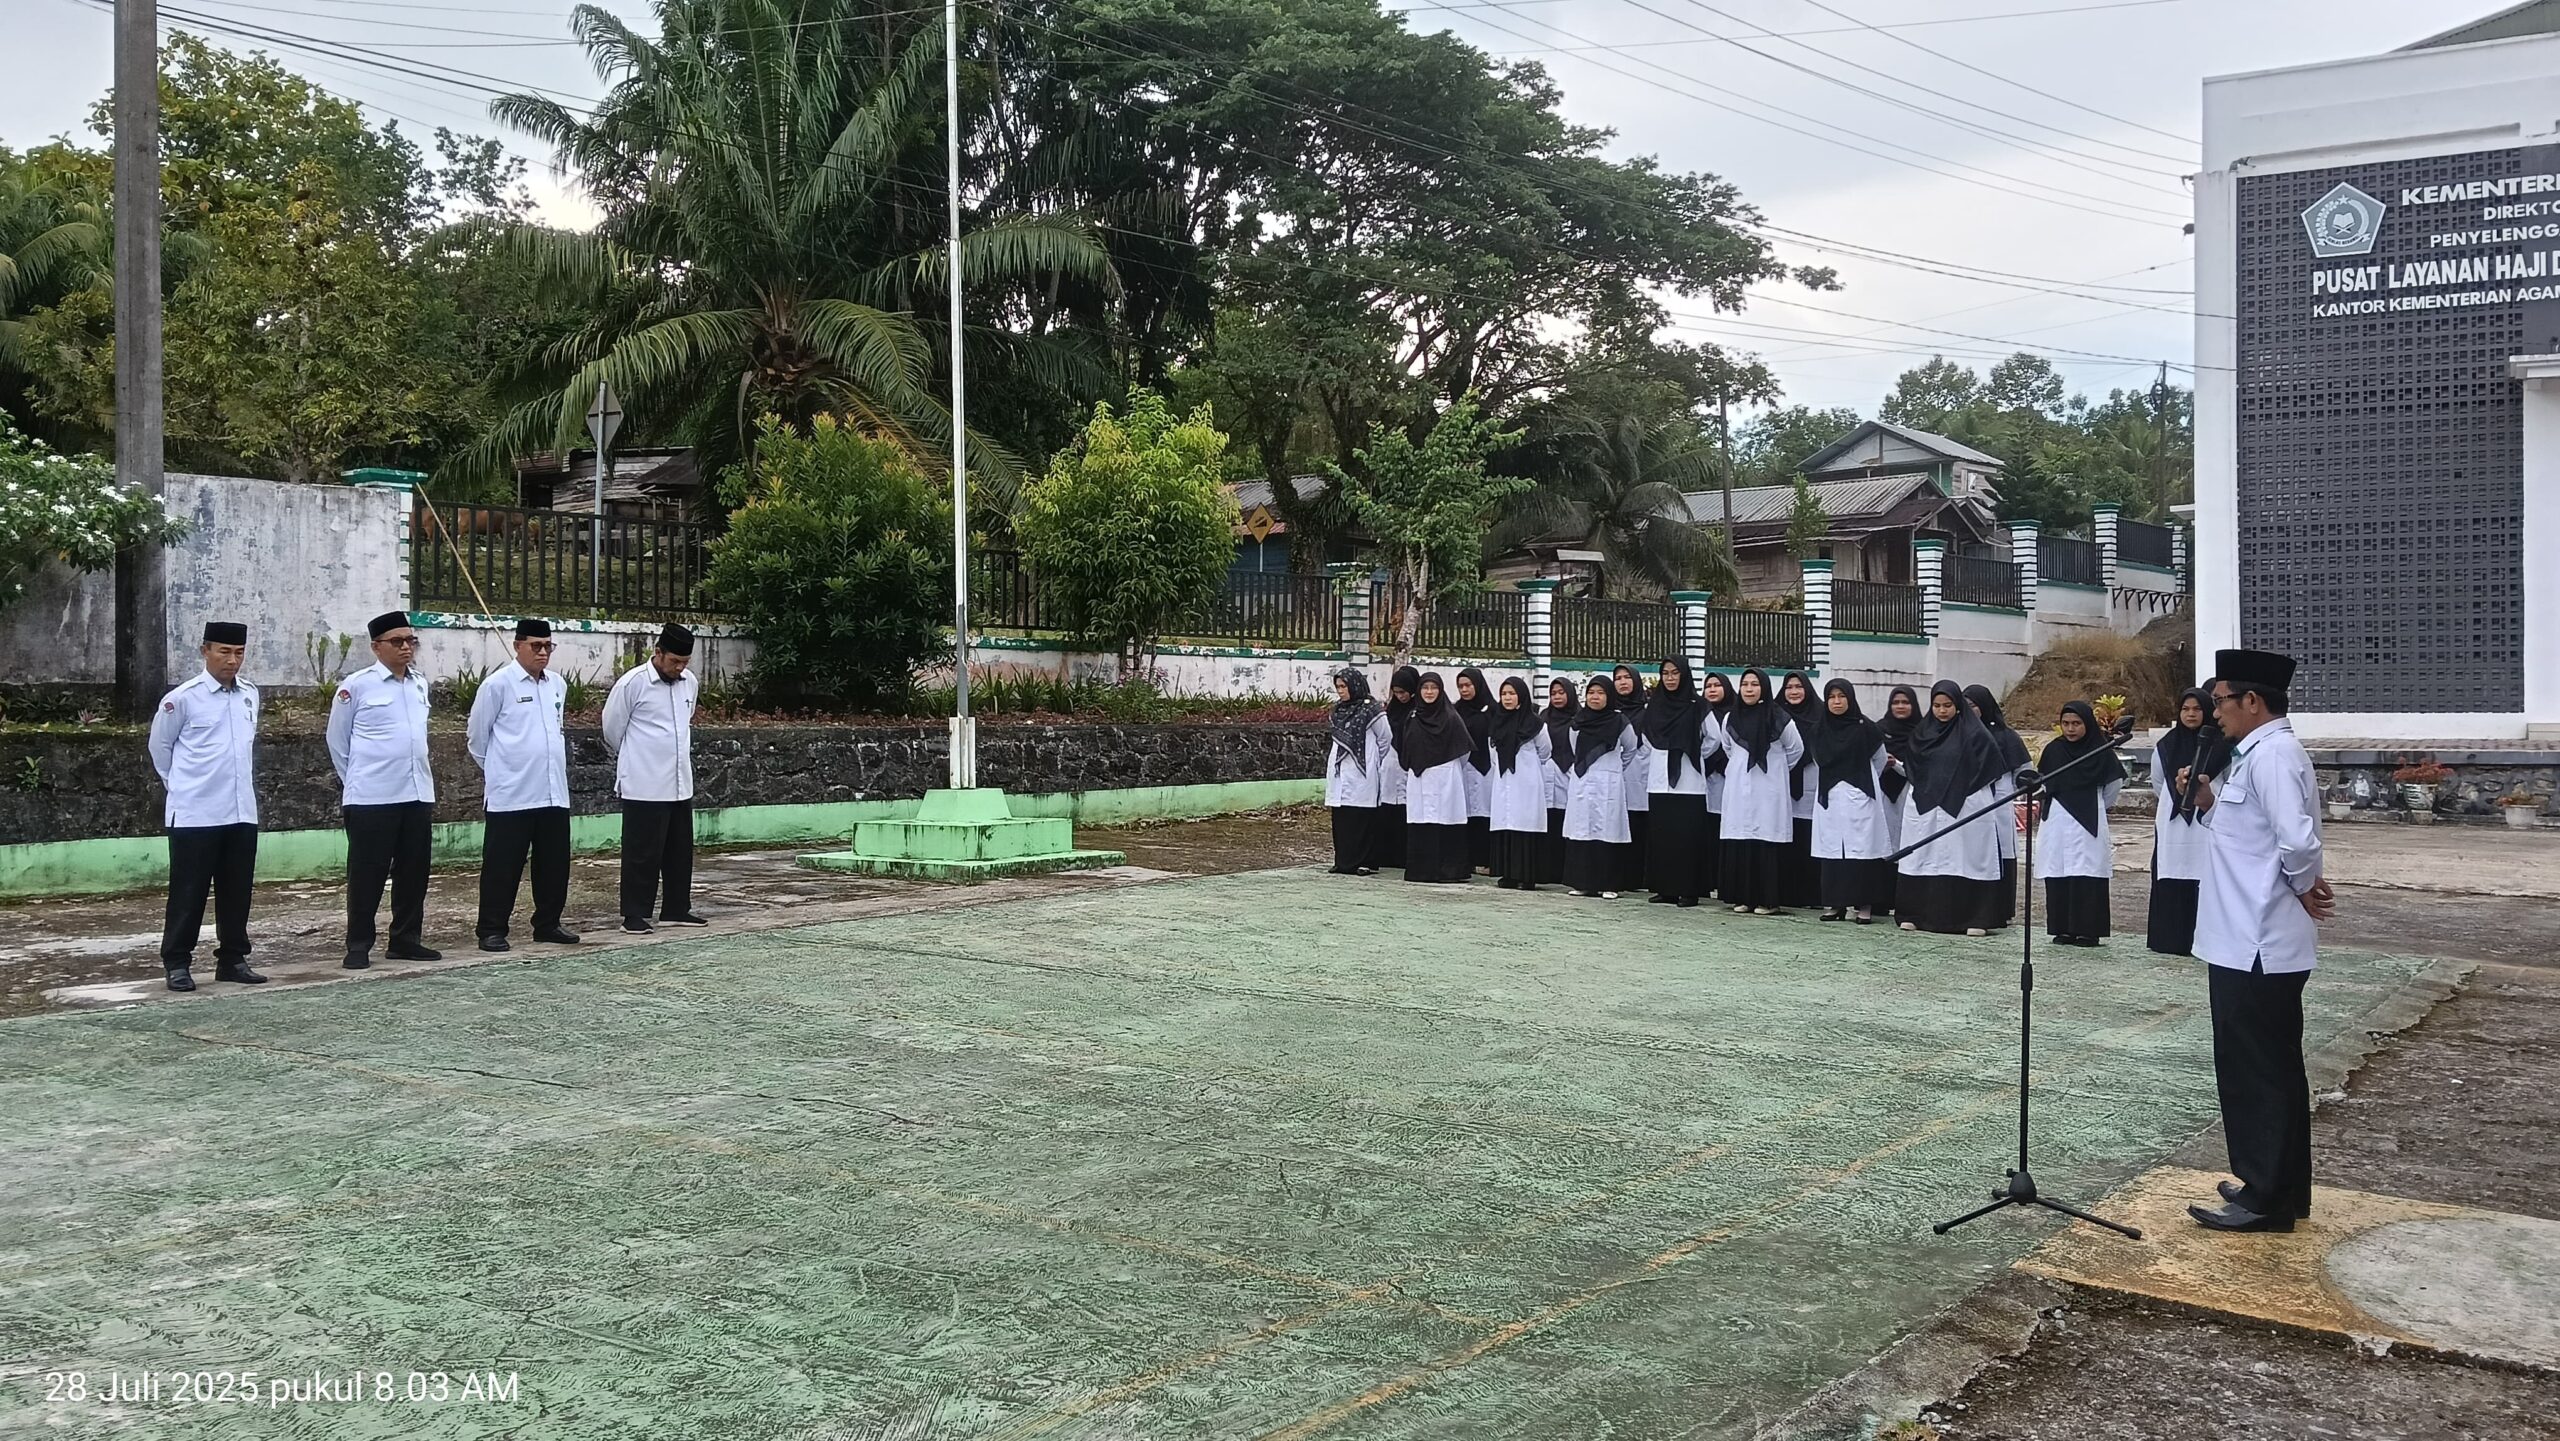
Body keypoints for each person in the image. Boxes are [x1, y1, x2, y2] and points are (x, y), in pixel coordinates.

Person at [2184, 649, 2333, 1233]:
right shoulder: (2258, 755)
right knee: (2271, 1066)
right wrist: (2209, 804)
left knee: (2257, 1070)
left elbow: (2297, 844)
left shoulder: (2271, 756)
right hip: (2246, 935)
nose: (2214, 711)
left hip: (2257, 942)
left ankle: (2265, 1197)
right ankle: (2277, 1184)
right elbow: (2252, 838)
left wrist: (2301, 888)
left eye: (2221, 700)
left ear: (2252, 701)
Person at [149, 620, 266, 992]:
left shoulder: (249, 694)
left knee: (237, 891)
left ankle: (233, 958)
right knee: (189, 892)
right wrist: (183, 788)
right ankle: (178, 962)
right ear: (205, 651)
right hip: (196, 812)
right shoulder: (183, 698)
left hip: (240, 810)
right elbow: (160, 750)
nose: (232, 660)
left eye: (238, 653)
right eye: (224, 651)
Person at [329, 610, 439, 969]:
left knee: (413, 872)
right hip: (372, 797)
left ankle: (406, 939)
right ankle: (358, 944)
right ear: (377, 647)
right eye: (397, 641)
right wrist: (360, 779)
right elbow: (338, 742)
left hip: (416, 792)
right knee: (367, 874)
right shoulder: (356, 686)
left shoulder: (419, 683)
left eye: (411, 641)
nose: (406, 647)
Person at [467, 618, 579, 952]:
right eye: (536, 646)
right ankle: (491, 928)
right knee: (503, 866)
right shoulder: (498, 685)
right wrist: (503, 771)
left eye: (548, 646)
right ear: (518, 646)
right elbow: (477, 738)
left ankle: (548, 923)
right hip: (511, 794)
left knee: (554, 865)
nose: (543, 653)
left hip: (551, 791)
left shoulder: (556, 684)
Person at [601, 624, 705, 933]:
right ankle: (635, 913)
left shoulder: (689, 683)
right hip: (643, 781)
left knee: (678, 850)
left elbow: (684, 723)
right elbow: (612, 729)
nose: (680, 668)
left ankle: (676, 908)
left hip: (678, 782)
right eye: (674, 661)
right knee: (641, 852)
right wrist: (639, 756)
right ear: (658, 652)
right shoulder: (633, 683)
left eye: (685, 662)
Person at [1896, 681, 2011, 937]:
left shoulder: (1976, 735)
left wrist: (1959, 788)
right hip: (1926, 807)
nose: (1942, 711)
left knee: (1966, 857)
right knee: (1924, 856)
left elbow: (1990, 769)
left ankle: (1974, 917)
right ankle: (1916, 914)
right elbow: (1913, 768)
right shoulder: (1921, 734)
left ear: (1958, 706)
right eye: (1937, 706)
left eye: (1947, 705)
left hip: (1966, 805)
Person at [2038, 700, 2126, 947]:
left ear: (2087, 724)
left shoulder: (2100, 750)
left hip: (2089, 818)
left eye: (2076, 723)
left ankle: (2088, 930)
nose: (2070, 729)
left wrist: (2096, 805)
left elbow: (2113, 786)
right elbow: (2044, 779)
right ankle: (2062, 928)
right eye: (2066, 723)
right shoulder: (2054, 750)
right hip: (2057, 818)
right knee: (2059, 869)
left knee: (2087, 871)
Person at [1717, 668, 1804, 915]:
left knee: (1766, 839)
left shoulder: (1779, 718)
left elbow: (1796, 749)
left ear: (1764, 688)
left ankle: (1768, 900)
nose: (1749, 689)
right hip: (1738, 785)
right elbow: (1728, 747)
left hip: (1770, 788)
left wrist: (1777, 772)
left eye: (1755, 684)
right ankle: (1743, 897)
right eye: (1745, 684)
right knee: (1742, 838)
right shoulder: (1730, 718)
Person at [2147, 686, 2227, 956]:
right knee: (2171, 872)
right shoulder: (2165, 745)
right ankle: (2170, 939)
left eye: (2197, 709)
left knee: (2206, 875)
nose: (2191, 714)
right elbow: (2158, 782)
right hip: (2173, 822)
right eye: (2185, 709)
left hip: (2208, 817)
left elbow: (2227, 779)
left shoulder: (2221, 744)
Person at [1633, 657, 1717, 908]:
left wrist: (1692, 754)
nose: (1670, 678)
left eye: (1675, 673)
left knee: (1687, 837)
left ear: (1685, 675)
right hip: (1659, 781)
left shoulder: (1698, 705)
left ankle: (1689, 890)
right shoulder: (1655, 706)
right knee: (1662, 836)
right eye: (1665, 673)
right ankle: (1665, 888)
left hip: (1689, 781)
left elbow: (1713, 738)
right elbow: (1647, 739)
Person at [1810, 679, 1894, 924]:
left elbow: (1879, 760)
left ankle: (1863, 906)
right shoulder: (1819, 729)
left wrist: (1859, 780)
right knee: (1833, 850)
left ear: (1851, 698)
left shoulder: (1866, 728)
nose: (1837, 702)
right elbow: (1818, 759)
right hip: (1831, 796)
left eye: (1841, 696)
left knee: (1862, 850)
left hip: (1861, 794)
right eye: (1832, 697)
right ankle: (1835, 904)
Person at [1562, 675, 1640, 898]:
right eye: (1591, 693)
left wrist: (1613, 770)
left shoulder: (1620, 721)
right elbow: (1574, 746)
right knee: (1582, 828)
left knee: (1607, 828)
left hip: (1609, 781)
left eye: (1601, 693)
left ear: (1610, 696)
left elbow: (1630, 749)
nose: (1595, 697)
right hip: (1583, 778)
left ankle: (1609, 884)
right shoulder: (1578, 721)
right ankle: (1583, 882)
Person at [1394, 671, 1476, 883]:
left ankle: (1448, 871)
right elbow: (1404, 744)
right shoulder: (1413, 716)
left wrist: (1444, 765)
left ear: (1440, 691)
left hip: (1445, 776)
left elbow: (1464, 751)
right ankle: (1421, 870)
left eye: (1433, 688)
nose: (1429, 692)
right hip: (1419, 776)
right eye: (1425, 688)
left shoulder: (1451, 717)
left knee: (1444, 818)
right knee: (1420, 819)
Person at [1966, 684, 2031, 928]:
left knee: (2000, 851)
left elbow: (2024, 771)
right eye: (1966, 705)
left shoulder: (2006, 736)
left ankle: (2000, 910)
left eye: (1973, 705)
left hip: (1999, 801)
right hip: (1971, 802)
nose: (1969, 710)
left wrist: (2019, 788)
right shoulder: (1960, 734)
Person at [1485, 678, 1553, 890]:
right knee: (1506, 823)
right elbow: (1492, 754)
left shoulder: (1535, 724)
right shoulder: (1496, 722)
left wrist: (1527, 766)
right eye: (1504, 693)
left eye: (1512, 693)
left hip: (1527, 780)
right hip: (1504, 779)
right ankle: (1508, 874)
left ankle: (1527, 875)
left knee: (1526, 824)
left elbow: (1545, 751)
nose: (1507, 698)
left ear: (1521, 696)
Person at [1324, 667, 1392, 875]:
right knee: (1342, 817)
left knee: (1362, 817)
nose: (1341, 691)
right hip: (1340, 768)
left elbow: (1385, 738)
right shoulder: (1338, 709)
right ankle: (1344, 861)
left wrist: (1372, 759)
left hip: (1363, 769)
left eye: (1344, 686)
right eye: (1338, 687)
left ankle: (1365, 862)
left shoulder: (1371, 709)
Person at [1778, 671, 1826, 907]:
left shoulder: (1822, 716)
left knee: (1809, 837)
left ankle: (1812, 895)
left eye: (1798, 686)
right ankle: (1785, 893)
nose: (1794, 692)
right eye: (1789, 687)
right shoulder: (1776, 715)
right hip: (1781, 782)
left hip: (1812, 782)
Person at [1611, 663, 1651, 892]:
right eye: (1618, 678)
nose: (1623, 682)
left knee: (1638, 825)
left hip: (1641, 777)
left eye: (1627, 678)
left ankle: (1638, 878)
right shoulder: (1609, 713)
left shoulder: (1647, 712)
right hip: (1616, 778)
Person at [1375, 666, 1420, 871]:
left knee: (1406, 808)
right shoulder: (1391, 711)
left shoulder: (1419, 711)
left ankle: (1405, 855)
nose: (1400, 697)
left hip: (1410, 765)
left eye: (1404, 692)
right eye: (1397, 692)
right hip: (1390, 765)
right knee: (1387, 808)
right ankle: (1386, 854)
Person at [1453, 666, 1497, 874]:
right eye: (1461, 686)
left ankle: (1487, 859)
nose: (1464, 690)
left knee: (1486, 813)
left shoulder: (1493, 709)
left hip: (1488, 768)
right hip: (1463, 767)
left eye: (1468, 685)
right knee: (1466, 813)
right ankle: (1467, 859)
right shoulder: (1455, 710)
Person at [1698, 670, 1735, 899]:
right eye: (1708, 686)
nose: (1711, 690)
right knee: (1708, 829)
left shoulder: (1737, 713)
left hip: (1730, 778)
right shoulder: (1700, 713)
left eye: (1716, 685)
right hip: (1704, 778)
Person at [1539, 677, 1576, 886]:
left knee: (1565, 821)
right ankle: (1547, 871)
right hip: (1547, 773)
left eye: (1561, 692)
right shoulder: (1543, 717)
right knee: (1548, 822)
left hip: (1568, 773)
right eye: (1553, 693)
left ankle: (1564, 871)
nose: (1557, 697)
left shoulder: (1578, 718)